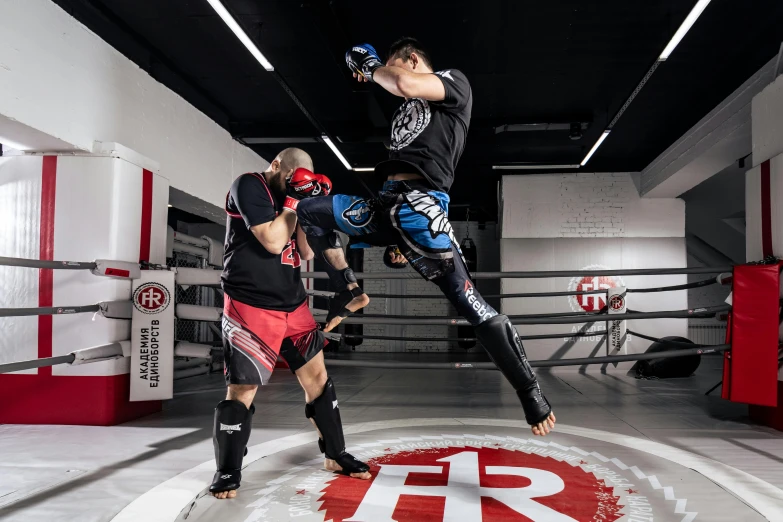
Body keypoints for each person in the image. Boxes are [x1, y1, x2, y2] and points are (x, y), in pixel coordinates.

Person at [295, 38, 556, 437]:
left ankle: (529, 390)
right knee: (310, 210)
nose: (389, 75)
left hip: (421, 209)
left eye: (396, 65)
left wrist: (372, 66)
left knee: (471, 304)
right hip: (385, 205)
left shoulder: (454, 84)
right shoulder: (407, 107)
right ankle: (348, 290)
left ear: (412, 60)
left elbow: (403, 83)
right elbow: (401, 90)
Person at [210, 148, 370, 500]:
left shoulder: (291, 199)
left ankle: (334, 454)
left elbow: (307, 252)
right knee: (243, 389)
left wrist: (308, 206)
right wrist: (295, 201)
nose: (292, 187)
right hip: (250, 303)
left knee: (318, 380)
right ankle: (227, 470)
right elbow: (271, 240)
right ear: (277, 166)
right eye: (291, 179)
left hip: (293, 303)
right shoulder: (249, 185)